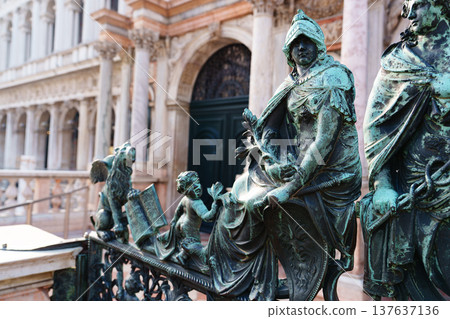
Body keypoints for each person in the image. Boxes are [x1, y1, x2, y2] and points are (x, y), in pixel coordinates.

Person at [207, 10, 362, 300]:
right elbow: (269, 127)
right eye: (295, 44)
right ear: (288, 51)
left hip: (331, 171)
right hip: (295, 166)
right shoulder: (290, 83)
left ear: (318, 43)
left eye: (306, 42)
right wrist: (271, 161)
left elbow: (325, 142)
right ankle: (240, 271)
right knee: (238, 192)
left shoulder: (333, 79)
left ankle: (257, 277)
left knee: (258, 204)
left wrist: (290, 186)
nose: (301, 48)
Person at [361, 0, 450, 299]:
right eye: (405, 4)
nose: (407, 13)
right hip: (415, 190)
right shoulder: (397, 61)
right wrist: (383, 184)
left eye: (418, 4)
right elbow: (376, 127)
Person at [155, 171, 219, 272]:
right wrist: (215, 205)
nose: (197, 187)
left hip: (180, 225)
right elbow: (207, 217)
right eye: (192, 186)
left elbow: (178, 211)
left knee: (184, 241)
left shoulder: (185, 199)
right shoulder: (196, 202)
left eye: (197, 183)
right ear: (185, 190)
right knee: (194, 244)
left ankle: (166, 238)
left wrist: (174, 221)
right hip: (190, 229)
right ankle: (182, 256)